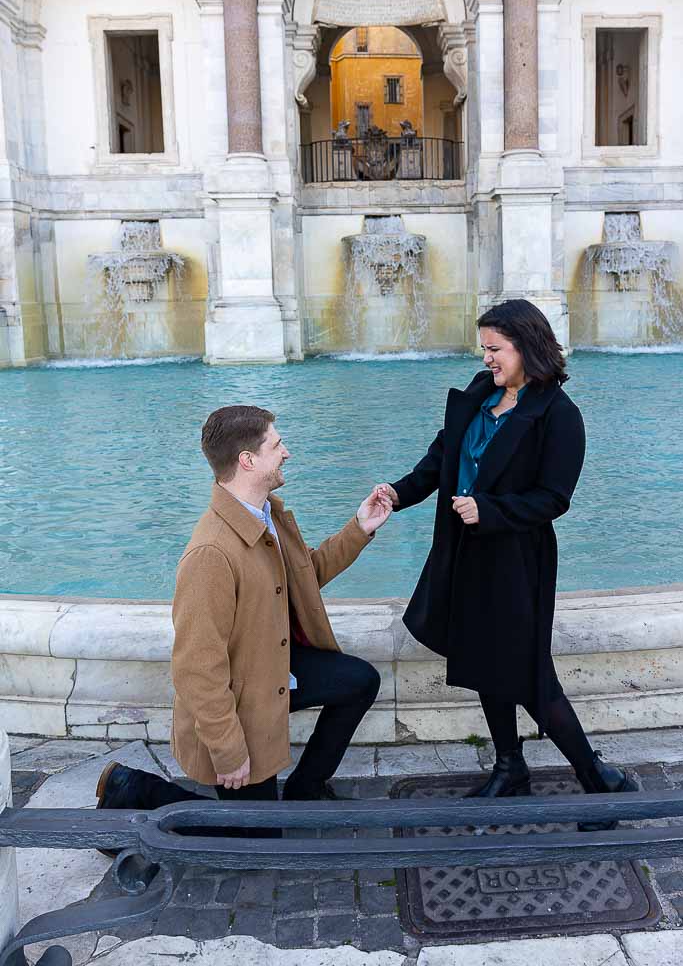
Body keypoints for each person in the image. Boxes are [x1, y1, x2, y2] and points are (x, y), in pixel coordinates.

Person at [378, 299, 636, 830]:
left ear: (526, 347)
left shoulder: (559, 415)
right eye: (484, 350)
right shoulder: (478, 396)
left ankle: (598, 782)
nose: (488, 359)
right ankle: (509, 766)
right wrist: (396, 495)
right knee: (481, 662)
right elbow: (439, 462)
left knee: (532, 678)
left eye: (496, 349)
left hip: (517, 561)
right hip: (464, 554)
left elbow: (554, 498)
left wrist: (490, 510)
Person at [96, 404, 392, 826]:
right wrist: (229, 749)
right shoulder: (211, 553)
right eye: (276, 444)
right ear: (248, 460)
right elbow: (197, 667)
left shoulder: (267, 514)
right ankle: (132, 789)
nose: (286, 452)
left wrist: (358, 529)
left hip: (270, 671)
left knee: (360, 681)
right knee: (254, 842)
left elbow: (303, 578)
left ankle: (303, 794)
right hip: (238, 703)